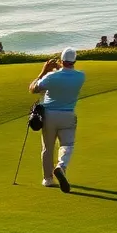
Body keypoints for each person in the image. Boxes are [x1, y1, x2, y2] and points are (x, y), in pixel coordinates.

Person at [28, 48, 86, 193]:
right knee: (68, 145)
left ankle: (48, 179)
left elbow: (33, 89)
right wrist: (58, 67)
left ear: (61, 60)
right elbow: (67, 74)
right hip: (68, 115)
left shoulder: (50, 77)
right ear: (75, 61)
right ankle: (61, 166)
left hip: (49, 115)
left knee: (48, 148)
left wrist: (44, 70)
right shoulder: (80, 76)